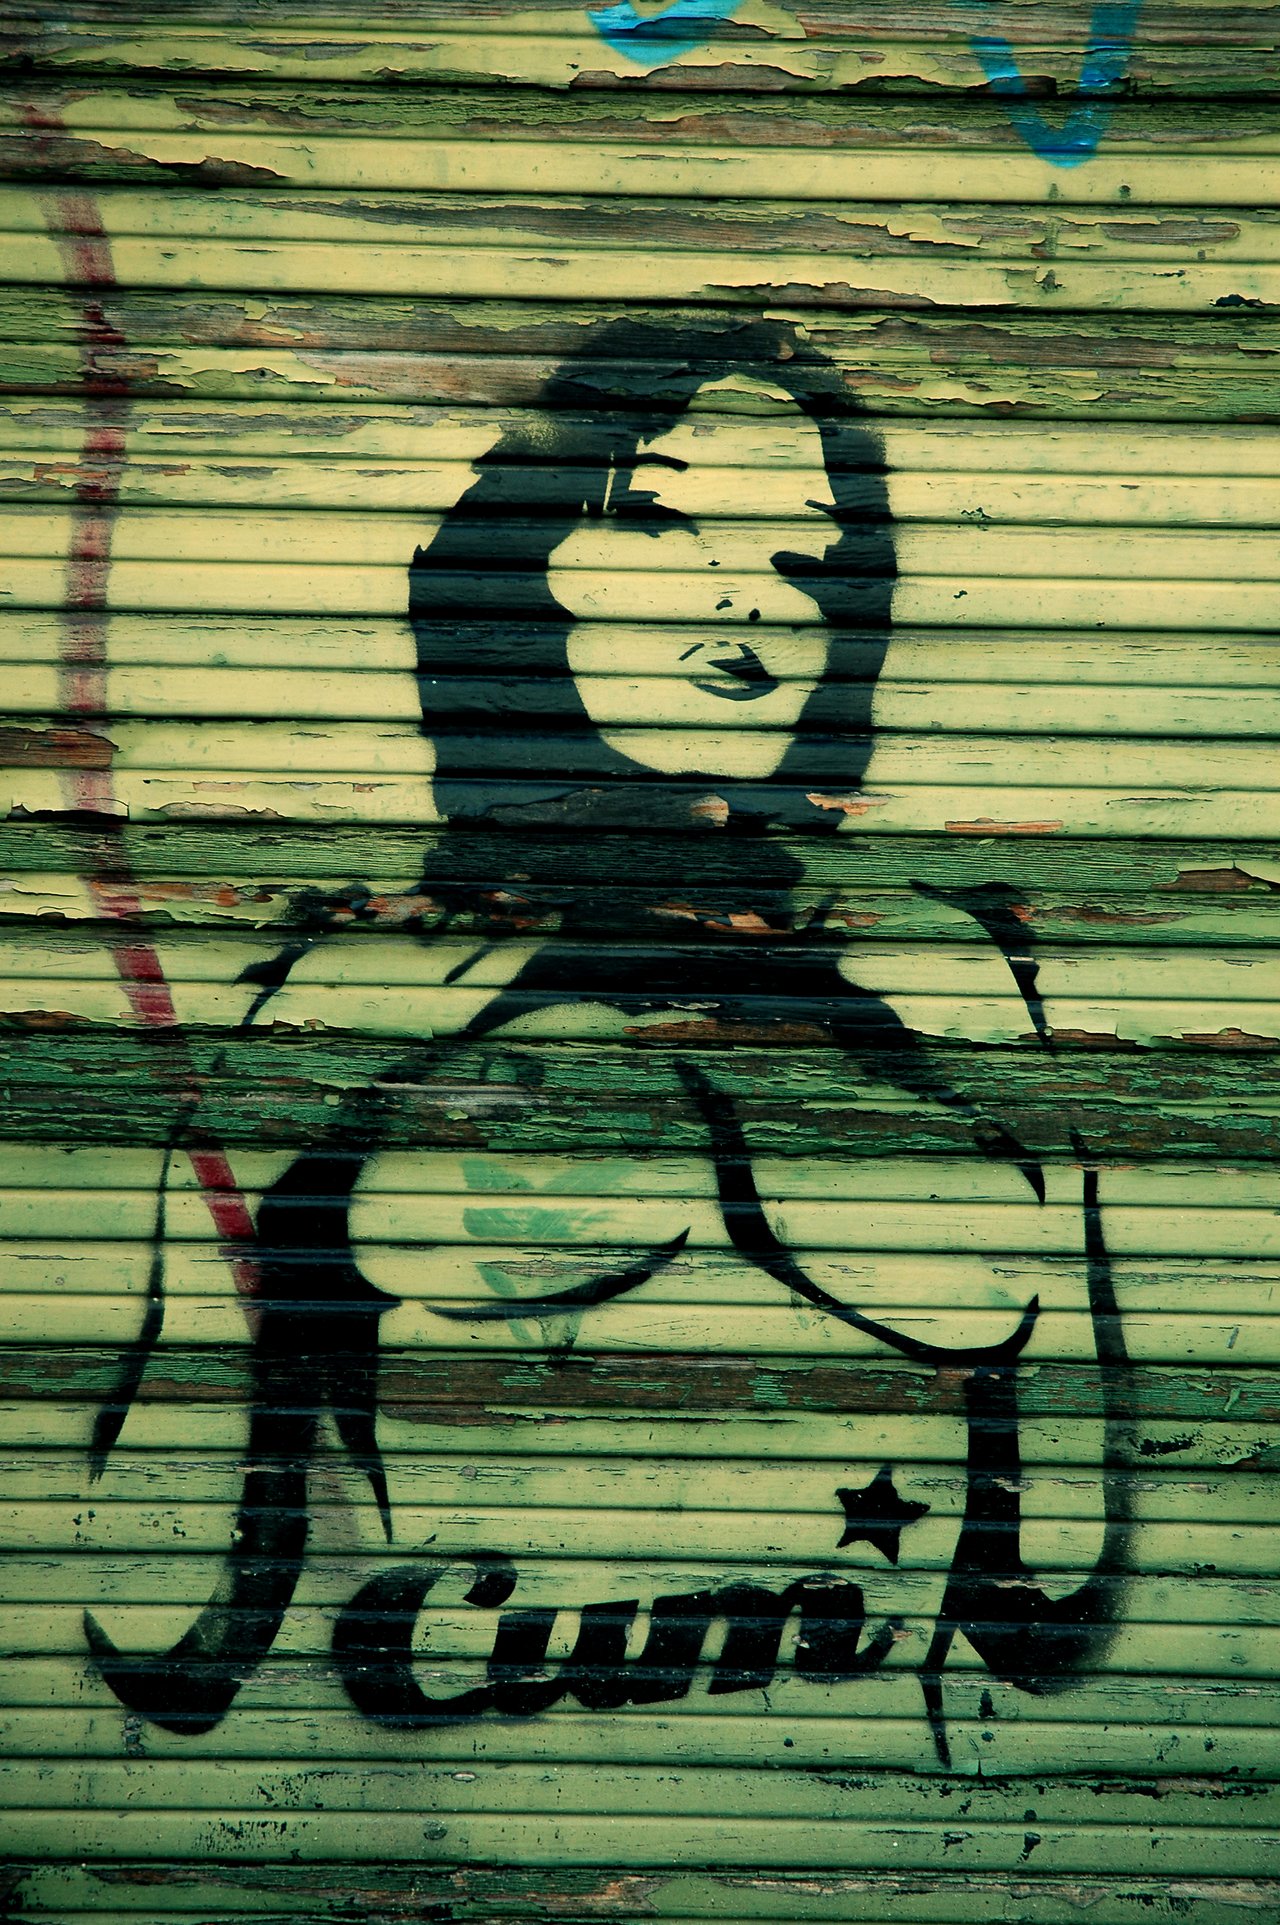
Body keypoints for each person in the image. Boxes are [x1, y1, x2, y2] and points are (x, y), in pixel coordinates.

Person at [85, 318, 1131, 1762]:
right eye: (657, 519)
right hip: (443, 1796)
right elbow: (155, 1616)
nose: (747, 602)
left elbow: (1057, 1587)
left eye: (807, 559)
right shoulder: (356, 986)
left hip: (875, 1785)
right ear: (516, 568)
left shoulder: (941, 975)